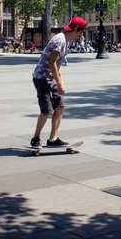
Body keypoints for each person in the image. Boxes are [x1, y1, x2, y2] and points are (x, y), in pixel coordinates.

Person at [30, 16, 87, 149]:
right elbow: (52, 63)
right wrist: (60, 84)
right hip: (42, 78)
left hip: (51, 78)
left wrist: (60, 81)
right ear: (76, 30)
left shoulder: (64, 40)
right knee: (46, 110)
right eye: (81, 31)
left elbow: (58, 65)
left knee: (60, 106)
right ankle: (36, 138)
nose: (81, 35)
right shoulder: (59, 40)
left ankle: (53, 139)